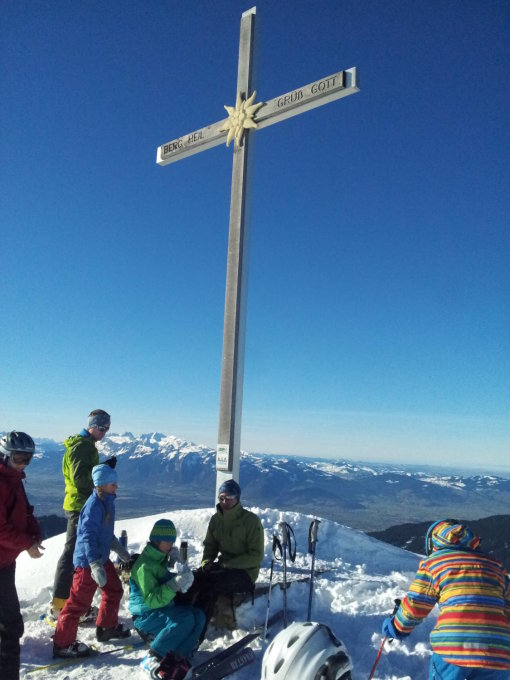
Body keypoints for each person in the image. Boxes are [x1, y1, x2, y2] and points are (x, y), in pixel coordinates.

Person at [382, 519, 510, 680]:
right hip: (498, 651)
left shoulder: (434, 563)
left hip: (454, 647)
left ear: (432, 543)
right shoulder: (495, 566)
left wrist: (395, 627)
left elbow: (416, 605)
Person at [52, 463, 131, 658]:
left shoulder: (107, 502)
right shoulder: (93, 506)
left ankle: (106, 628)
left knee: (114, 589)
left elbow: (105, 534)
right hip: (88, 563)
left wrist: (120, 551)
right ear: (102, 485)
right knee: (78, 603)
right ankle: (63, 644)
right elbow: (87, 537)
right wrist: (95, 565)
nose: (116, 486)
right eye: (113, 483)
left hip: (101, 557)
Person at [51, 409, 115, 619]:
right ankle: (62, 604)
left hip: (81, 504)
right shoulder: (81, 447)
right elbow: (80, 479)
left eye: (107, 429)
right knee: (73, 553)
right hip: (79, 505)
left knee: (76, 553)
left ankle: (71, 602)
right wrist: (101, 478)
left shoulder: (86, 445)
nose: (104, 432)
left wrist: (102, 469)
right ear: (93, 426)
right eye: (102, 428)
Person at [180, 479, 264, 630]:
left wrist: (229, 564)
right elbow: (210, 545)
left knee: (211, 586)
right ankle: (177, 619)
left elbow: (256, 556)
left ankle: (197, 630)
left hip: (245, 573)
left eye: (229, 497)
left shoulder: (251, 521)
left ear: (237, 498)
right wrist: (206, 562)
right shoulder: (216, 520)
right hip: (224, 567)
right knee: (193, 579)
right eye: (222, 498)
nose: (225, 501)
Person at [129, 519, 205, 680]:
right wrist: (174, 584)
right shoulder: (145, 566)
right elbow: (151, 599)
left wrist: (179, 573)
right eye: (168, 541)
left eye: (172, 541)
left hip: (161, 609)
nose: (171, 545)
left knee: (198, 616)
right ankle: (153, 657)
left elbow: (164, 579)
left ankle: (178, 657)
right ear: (157, 541)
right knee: (184, 619)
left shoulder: (160, 558)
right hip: (145, 615)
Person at [0, 431, 44, 680]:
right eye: (19, 458)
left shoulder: (13, 478)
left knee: (9, 625)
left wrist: (34, 532)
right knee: (10, 627)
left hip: (5, 562)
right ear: (5, 455)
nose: (24, 464)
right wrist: (27, 542)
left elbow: (24, 512)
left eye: (28, 459)